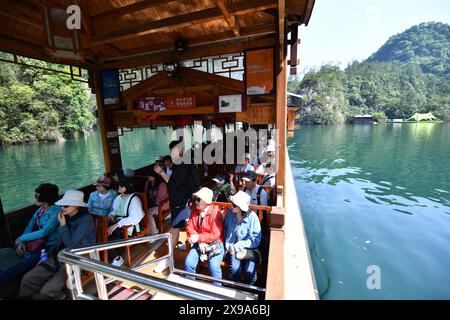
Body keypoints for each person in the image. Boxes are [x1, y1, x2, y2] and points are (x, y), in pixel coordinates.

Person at [18, 190, 96, 300]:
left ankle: (58, 295)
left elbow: (70, 244)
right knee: (27, 279)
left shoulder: (85, 220)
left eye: (66, 205)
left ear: (76, 206)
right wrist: (47, 257)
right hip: (60, 255)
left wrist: (63, 225)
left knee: (46, 291)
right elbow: (59, 242)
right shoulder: (66, 216)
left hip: (76, 257)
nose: (62, 208)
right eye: (61, 205)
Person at [153, 138, 200, 273]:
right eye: (171, 152)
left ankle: (168, 259)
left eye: (174, 151)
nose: (172, 154)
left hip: (182, 203)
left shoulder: (183, 165)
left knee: (174, 230)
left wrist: (161, 173)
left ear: (182, 150)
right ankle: (177, 254)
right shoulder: (182, 164)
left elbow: (172, 184)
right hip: (182, 202)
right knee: (178, 229)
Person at [0, 184, 61, 287]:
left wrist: (20, 238)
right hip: (35, 243)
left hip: (48, 247)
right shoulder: (40, 210)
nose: (35, 198)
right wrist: (21, 242)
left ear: (45, 199)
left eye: (37, 196)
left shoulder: (56, 212)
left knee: (21, 265)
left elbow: (44, 232)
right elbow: (29, 227)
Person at [185, 188, 224, 285]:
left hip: (215, 243)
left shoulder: (216, 212)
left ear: (207, 201)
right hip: (200, 242)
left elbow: (216, 235)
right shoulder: (195, 210)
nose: (196, 201)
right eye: (195, 198)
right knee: (188, 262)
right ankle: (190, 286)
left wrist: (198, 238)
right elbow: (190, 227)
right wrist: (200, 241)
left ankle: (217, 290)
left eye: (198, 199)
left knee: (214, 266)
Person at [224, 191, 262, 285]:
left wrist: (239, 245)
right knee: (235, 269)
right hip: (233, 248)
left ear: (241, 207)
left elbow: (255, 239)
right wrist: (227, 246)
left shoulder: (253, 218)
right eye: (231, 203)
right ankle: (234, 287)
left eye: (234, 205)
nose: (231, 205)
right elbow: (225, 229)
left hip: (249, 249)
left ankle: (249, 291)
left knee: (249, 271)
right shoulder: (230, 213)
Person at [144, 170, 169, 236]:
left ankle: (154, 232)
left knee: (149, 212)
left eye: (150, 175)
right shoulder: (149, 183)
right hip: (153, 203)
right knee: (143, 211)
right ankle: (149, 230)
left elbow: (160, 198)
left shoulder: (161, 184)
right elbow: (145, 194)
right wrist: (147, 184)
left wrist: (152, 203)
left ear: (155, 176)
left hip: (162, 204)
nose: (148, 177)